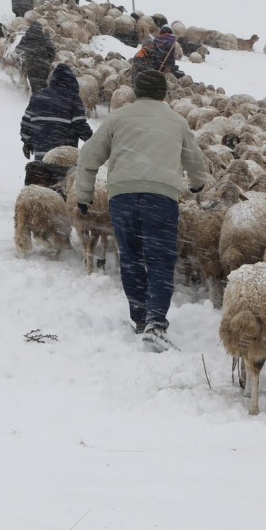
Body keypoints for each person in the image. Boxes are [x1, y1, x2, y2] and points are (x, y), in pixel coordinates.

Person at [75, 69, 208, 352]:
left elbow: (88, 156)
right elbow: (196, 161)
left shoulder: (117, 118)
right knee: (160, 260)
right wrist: (197, 184)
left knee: (131, 258)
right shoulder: (177, 121)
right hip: (161, 198)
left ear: (136, 91)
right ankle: (155, 322)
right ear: (164, 93)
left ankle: (139, 317)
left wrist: (85, 195)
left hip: (122, 197)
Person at [19, 64, 92, 160]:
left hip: (42, 153)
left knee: (41, 173)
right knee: (64, 175)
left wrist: (26, 142)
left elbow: (26, 123)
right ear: (72, 81)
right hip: (64, 155)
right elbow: (80, 125)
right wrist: (94, 142)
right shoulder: (73, 99)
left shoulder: (38, 97)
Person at [14, 22, 56, 94]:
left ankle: (36, 98)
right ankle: (45, 99)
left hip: (31, 65)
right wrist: (48, 61)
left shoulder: (26, 38)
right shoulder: (45, 39)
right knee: (43, 83)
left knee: (34, 85)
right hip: (44, 65)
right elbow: (52, 52)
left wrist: (26, 50)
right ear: (40, 29)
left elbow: (17, 50)